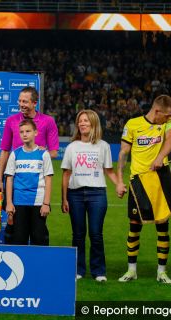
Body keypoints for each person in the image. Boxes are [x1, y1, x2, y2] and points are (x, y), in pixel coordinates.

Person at [116, 95, 171, 284]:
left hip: (160, 180)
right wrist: (120, 181)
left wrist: (160, 157)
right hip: (138, 182)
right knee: (134, 227)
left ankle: (161, 272)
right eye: (167, 115)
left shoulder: (167, 123)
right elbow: (123, 153)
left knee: (163, 228)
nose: (170, 118)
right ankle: (131, 270)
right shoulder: (133, 124)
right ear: (157, 111)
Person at [61, 110, 118, 282]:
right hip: (75, 194)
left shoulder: (104, 146)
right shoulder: (72, 147)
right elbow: (65, 175)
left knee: (95, 234)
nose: (82, 123)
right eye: (80, 121)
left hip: (97, 194)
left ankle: (99, 271)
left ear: (93, 123)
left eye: (85, 120)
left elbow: (109, 171)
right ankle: (78, 270)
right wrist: (64, 198)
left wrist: (119, 184)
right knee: (77, 234)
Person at [0, 86, 59, 243]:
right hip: (15, 184)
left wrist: (39, 154)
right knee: (14, 226)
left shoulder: (48, 121)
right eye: (20, 101)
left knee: (38, 231)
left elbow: (54, 153)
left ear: (34, 103)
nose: (21, 104)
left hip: (36, 186)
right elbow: (4, 151)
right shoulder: (11, 121)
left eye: (25, 101)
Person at [4, 119, 53, 246]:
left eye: (28, 131)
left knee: (39, 239)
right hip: (19, 202)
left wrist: (46, 203)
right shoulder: (15, 154)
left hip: (38, 203)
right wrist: (9, 202)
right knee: (19, 240)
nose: (24, 134)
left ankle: (39, 265)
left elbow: (48, 179)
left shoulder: (43, 154)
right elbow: (9, 179)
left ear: (35, 133)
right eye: (21, 132)